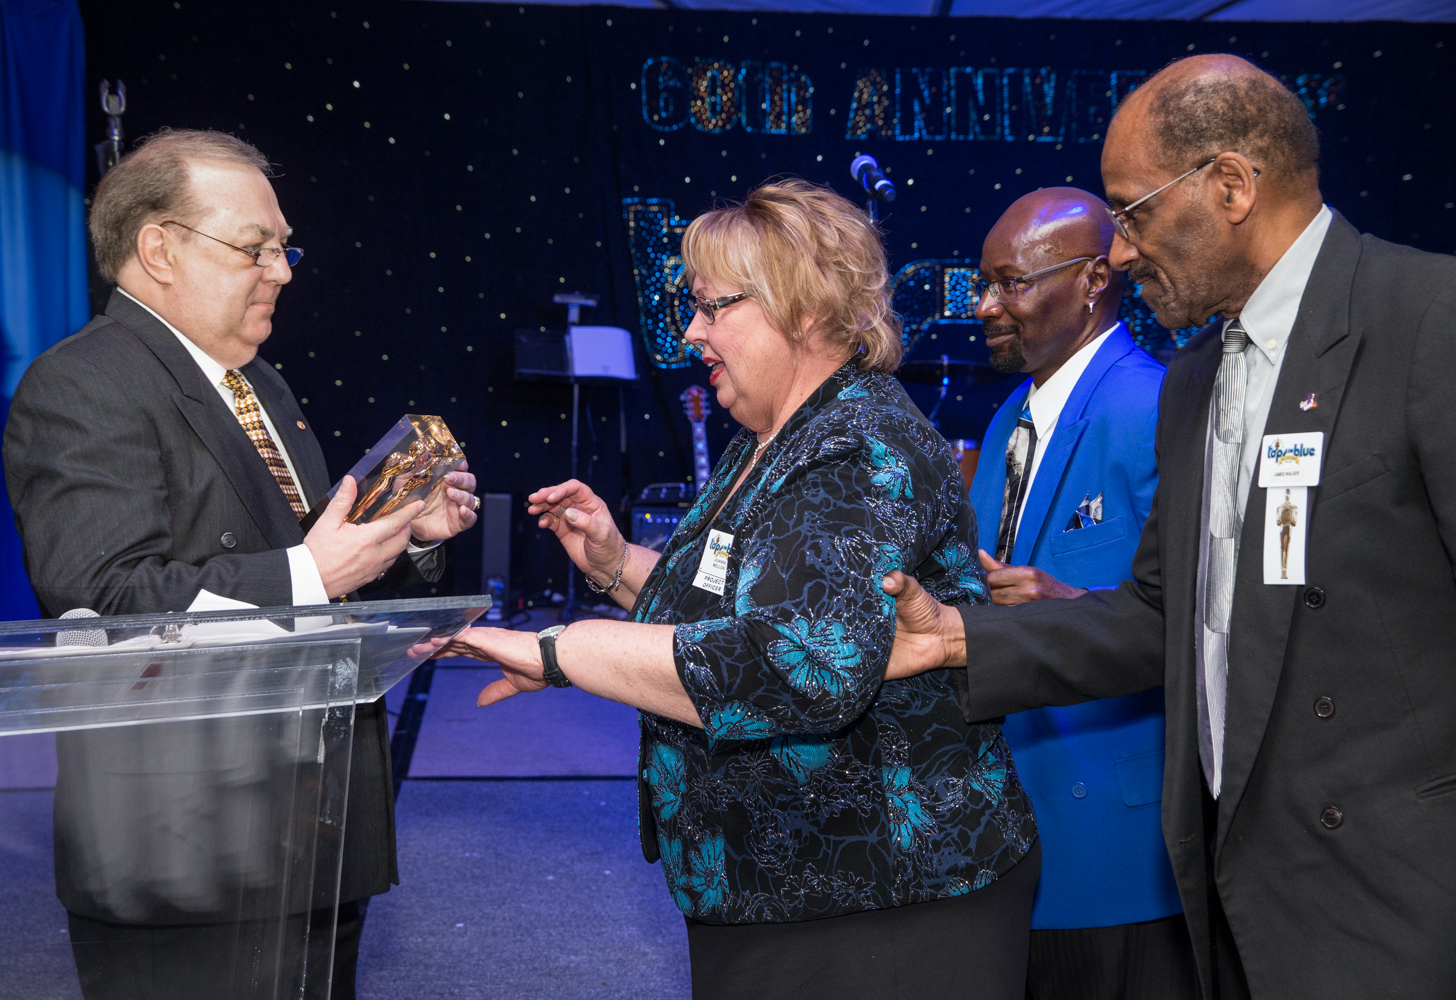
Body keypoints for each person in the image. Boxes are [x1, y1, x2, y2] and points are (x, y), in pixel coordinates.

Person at [880, 54, 1456, 999]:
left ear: (1230, 186)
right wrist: (959, 640)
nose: (1118, 253)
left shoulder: (1429, 320)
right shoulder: (1195, 377)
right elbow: (1158, 615)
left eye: (1133, 212)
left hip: (1399, 900)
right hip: (1228, 885)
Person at [453, 179, 1040, 999]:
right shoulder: (768, 437)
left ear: (801, 306)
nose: (691, 331)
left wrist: (564, 650)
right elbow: (737, 609)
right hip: (785, 887)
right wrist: (617, 563)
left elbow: (799, 661)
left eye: (711, 306)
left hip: (880, 903)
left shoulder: (859, 447)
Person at [2, 129, 479, 998]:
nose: (282, 271)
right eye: (254, 247)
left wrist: (407, 535)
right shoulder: (82, 383)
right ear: (159, 250)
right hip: (184, 848)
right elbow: (105, 597)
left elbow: (306, 561)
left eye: (283, 248)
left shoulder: (259, 384)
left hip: (313, 825)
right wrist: (313, 573)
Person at [968, 188, 1193, 998]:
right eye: (983, 284)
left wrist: (1069, 606)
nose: (985, 305)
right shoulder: (1008, 418)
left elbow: (1209, 622)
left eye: (1010, 283)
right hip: (1012, 838)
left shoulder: (1156, 406)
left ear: (1095, 280)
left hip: (1119, 854)